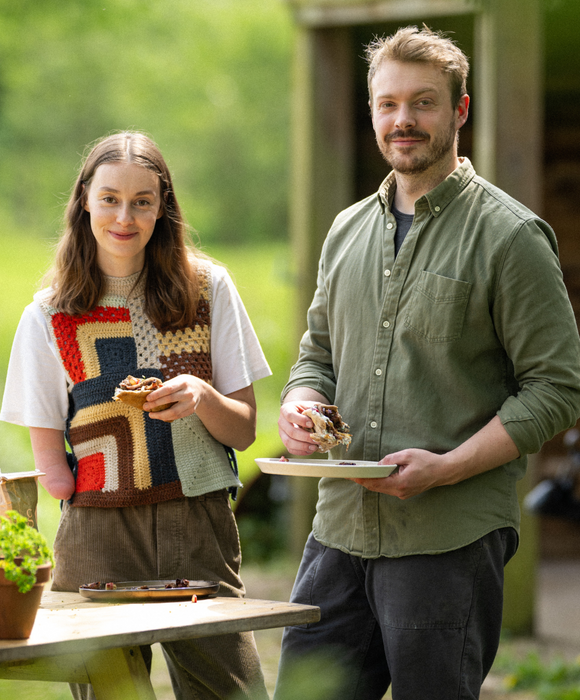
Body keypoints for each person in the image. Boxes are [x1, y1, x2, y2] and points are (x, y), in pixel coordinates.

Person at [274, 26, 580, 700]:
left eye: (423, 103)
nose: (402, 121)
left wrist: (447, 468)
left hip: (449, 541)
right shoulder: (346, 229)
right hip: (339, 532)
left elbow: (557, 388)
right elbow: (316, 353)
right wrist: (300, 401)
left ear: (460, 111)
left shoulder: (511, 237)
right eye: (387, 104)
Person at [0, 131, 271, 700]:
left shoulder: (209, 288)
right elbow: (45, 438)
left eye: (142, 201)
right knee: (113, 691)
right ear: (84, 202)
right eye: (109, 198)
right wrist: (70, 489)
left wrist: (201, 395)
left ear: (163, 208)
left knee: (230, 691)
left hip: (196, 521)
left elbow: (244, 430)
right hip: (99, 531)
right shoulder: (48, 313)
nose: (125, 216)